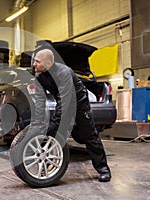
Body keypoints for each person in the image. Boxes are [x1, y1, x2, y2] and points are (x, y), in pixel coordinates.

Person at [32, 48, 111, 182]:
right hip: (63, 100)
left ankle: (103, 169)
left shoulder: (64, 72)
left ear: (49, 63)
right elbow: (40, 100)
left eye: (37, 61)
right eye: (35, 60)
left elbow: (65, 100)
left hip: (80, 104)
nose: (34, 64)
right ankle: (51, 166)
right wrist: (39, 122)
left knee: (90, 136)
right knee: (55, 134)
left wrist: (55, 122)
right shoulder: (39, 76)